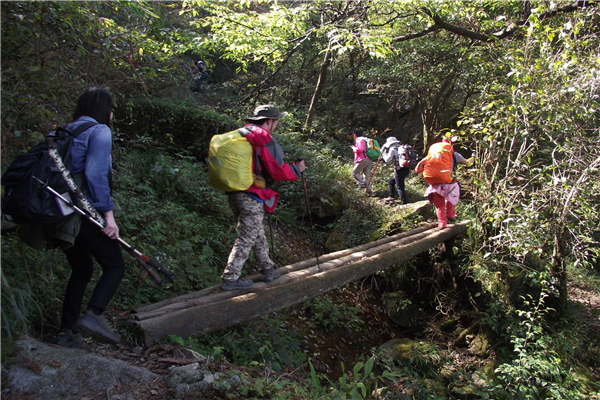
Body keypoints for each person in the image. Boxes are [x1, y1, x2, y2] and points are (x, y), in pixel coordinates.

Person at [50, 87, 124, 347]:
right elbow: (95, 175)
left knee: (82, 268)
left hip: (55, 212)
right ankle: (93, 315)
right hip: (81, 212)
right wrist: (108, 216)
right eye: (112, 108)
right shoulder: (100, 131)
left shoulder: (60, 132)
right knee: (115, 265)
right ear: (104, 109)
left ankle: (66, 332)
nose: (113, 114)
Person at [221, 105, 306, 291]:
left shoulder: (240, 134)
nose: (275, 125)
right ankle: (230, 278)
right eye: (276, 121)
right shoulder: (262, 138)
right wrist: (296, 170)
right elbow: (276, 169)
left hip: (233, 191)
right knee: (247, 235)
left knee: (256, 231)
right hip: (250, 193)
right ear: (269, 121)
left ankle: (267, 268)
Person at [415, 134, 473, 229]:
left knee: (439, 205)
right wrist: (474, 157)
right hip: (450, 182)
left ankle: (442, 223)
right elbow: (468, 163)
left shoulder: (434, 154)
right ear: (452, 144)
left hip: (436, 183)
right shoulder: (454, 154)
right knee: (450, 198)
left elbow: (420, 164)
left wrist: (419, 170)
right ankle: (450, 215)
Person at [381, 136, 410, 205]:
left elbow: (387, 160)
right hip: (406, 168)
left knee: (400, 187)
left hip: (399, 169)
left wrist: (383, 153)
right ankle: (391, 196)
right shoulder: (402, 148)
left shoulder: (393, 149)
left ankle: (404, 203)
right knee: (391, 181)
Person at [350, 129, 372, 195]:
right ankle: (368, 190)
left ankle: (362, 184)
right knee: (366, 176)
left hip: (362, 159)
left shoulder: (359, 140)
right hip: (369, 158)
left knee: (354, 173)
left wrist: (353, 148)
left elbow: (360, 150)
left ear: (355, 135)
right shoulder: (366, 139)